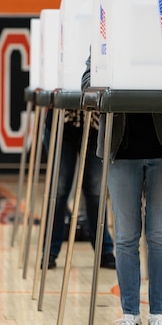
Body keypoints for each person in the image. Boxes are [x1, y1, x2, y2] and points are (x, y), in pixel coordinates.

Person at [83, 55, 162, 325]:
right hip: (120, 148)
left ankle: (159, 317)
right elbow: (87, 84)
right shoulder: (107, 36)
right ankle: (130, 317)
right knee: (126, 237)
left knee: (159, 235)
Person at [41, 108, 116, 270]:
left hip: (96, 127)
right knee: (59, 191)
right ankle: (49, 251)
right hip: (61, 124)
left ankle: (105, 251)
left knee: (96, 191)